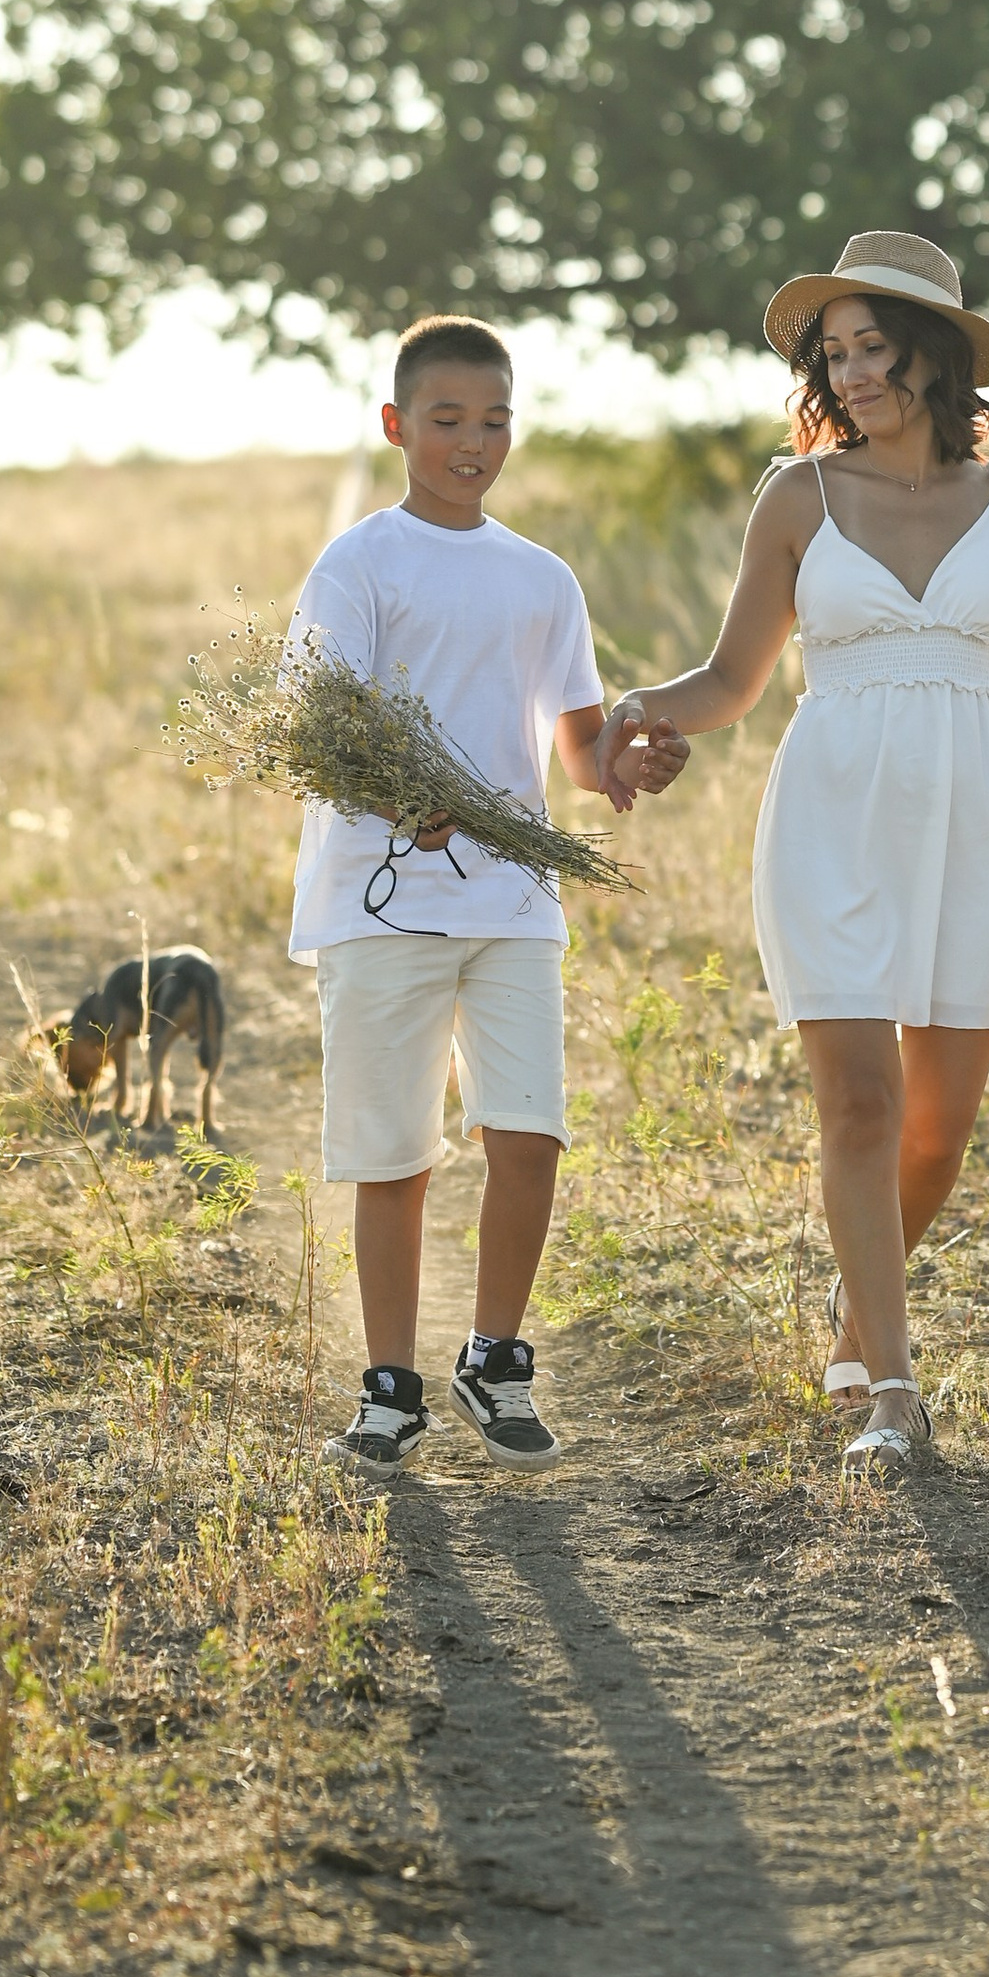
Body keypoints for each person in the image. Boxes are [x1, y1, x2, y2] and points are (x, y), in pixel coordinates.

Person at [595, 231, 989, 1481]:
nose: (853, 373)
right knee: (859, 1106)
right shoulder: (797, 496)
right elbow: (732, 680)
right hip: (836, 815)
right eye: (836, 353)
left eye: (874, 348)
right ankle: (894, 1389)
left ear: (933, 355)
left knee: (938, 1131)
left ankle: (856, 1303)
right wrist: (639, 706)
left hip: (981, 815)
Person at [300, 313, 675, 1478]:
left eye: (494, 420)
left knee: (528, 1136)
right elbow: (318, 734)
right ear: (396, 425)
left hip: (513, 900)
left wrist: (624, 766)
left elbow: (573, 751)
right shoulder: (358, 564)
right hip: (379, 903)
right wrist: (399, 797)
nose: (473, 442)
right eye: (448, 420)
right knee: (394, 1153)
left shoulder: (540, 577)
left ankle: (495, 1360)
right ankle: (389, 1387)